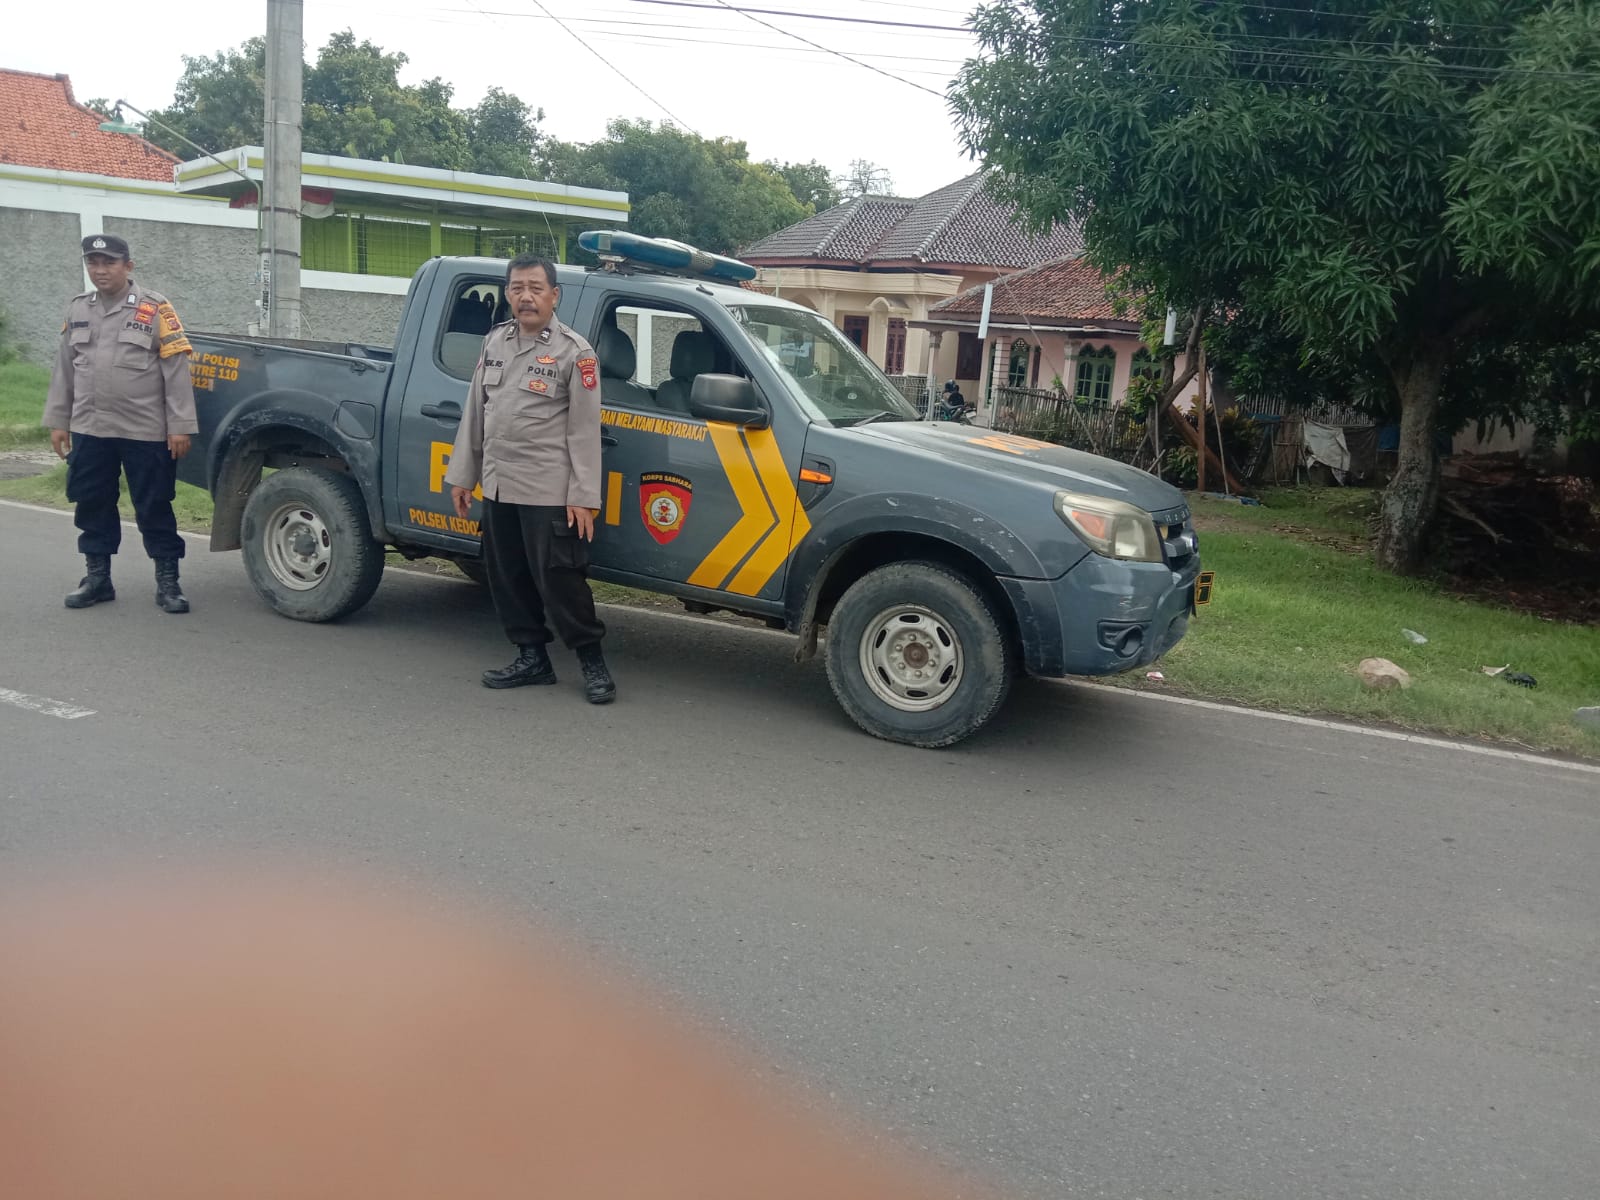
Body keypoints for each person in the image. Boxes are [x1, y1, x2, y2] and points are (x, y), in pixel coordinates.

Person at [446, 254, 615, 704]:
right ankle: (531, 657)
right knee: (507, 576)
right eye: (517, 288)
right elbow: (476, 412)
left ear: (554, 295)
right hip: (500, 483)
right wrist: (463, 475)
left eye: (536, 288)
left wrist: (584, 497)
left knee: (561, 580)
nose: (526, 297)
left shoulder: (575, 353)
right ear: (507, 294)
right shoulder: (494, 342)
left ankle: (592, 661)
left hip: (549, 489)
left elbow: (584, 431)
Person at [43, 234, 197, 614]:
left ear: (128, 266)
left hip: (145, 430)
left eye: (109, 262)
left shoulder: (155, 308)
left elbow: (176, 368)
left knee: (154, 505)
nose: (100, 270)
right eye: (93, 262)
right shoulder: (78, 308)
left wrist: (179, 425)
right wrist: (59, 420)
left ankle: (168, 583)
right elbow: (65, 369)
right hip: (90, 428)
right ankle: (97, 579)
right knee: (92, 503)